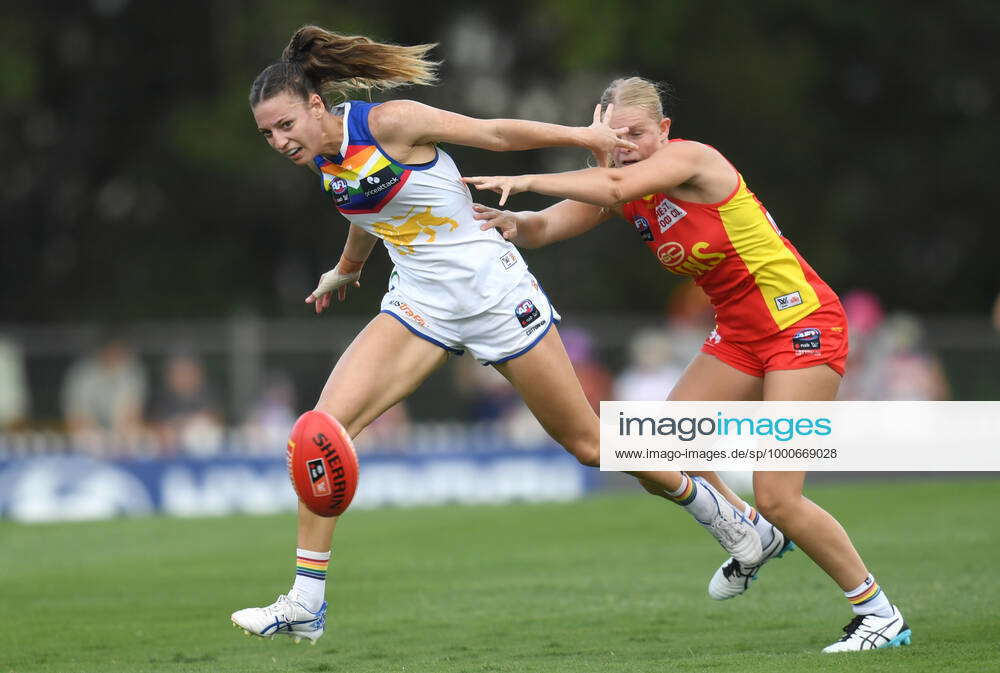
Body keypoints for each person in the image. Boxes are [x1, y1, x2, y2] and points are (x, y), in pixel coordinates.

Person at [231, 29, 764, 644]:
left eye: (284, 124)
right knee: (319, 434)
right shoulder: (321, 155)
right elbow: (365, 208)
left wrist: (582, 137)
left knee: (590, 445)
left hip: (495, 297)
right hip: (419, 304)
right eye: (267, 133)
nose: (278, 141)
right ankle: (306, 601)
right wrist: (347, 269)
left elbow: (496, 134)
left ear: (317, 105)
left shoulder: (392, 122)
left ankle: (726, 517)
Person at [464, 76, 911, 653]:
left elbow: (616, 178)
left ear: (664, 132)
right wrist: (515, 223)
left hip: (802, 327)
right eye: (611, 134)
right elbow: (551, 224)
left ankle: (878, 613)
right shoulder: (623, 192)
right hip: (740, 337)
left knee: (779, 494)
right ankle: (750, 537)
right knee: (658, 452)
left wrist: (523, 176)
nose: (624, 144)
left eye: (636, 133)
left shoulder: (691, 159)